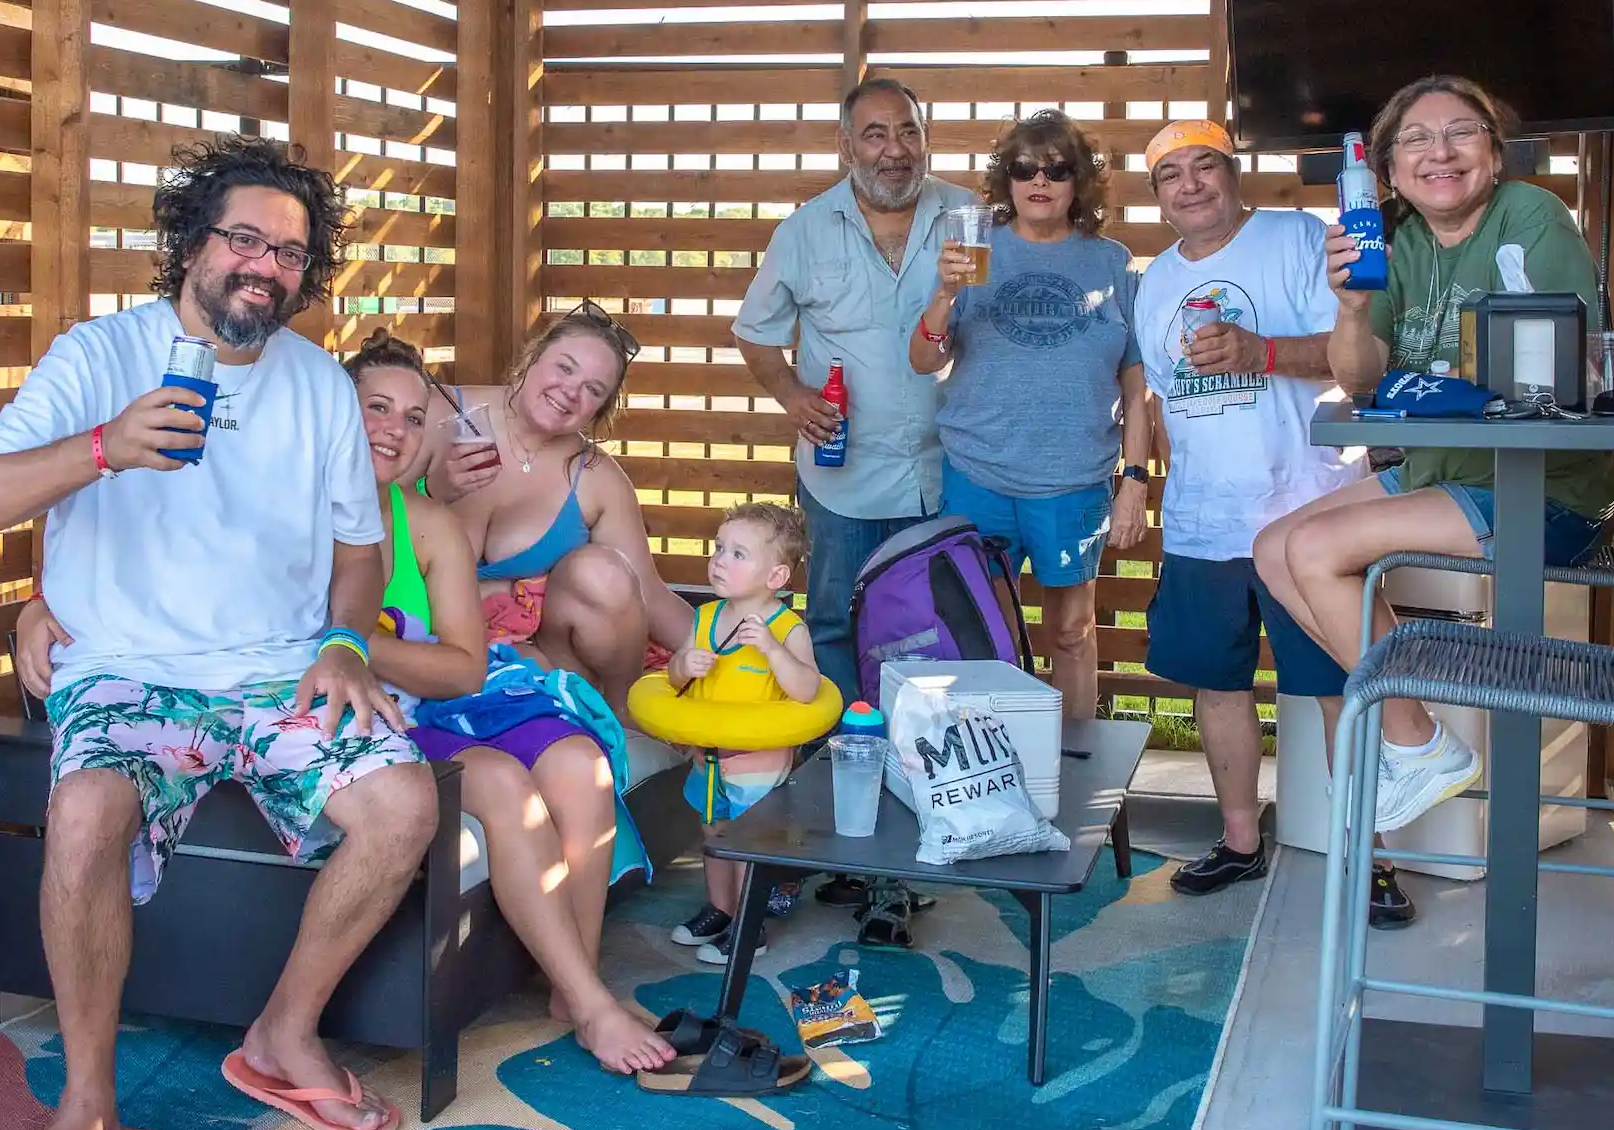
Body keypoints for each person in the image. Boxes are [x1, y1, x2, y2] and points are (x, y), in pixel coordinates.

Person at [0, 137, 435, 1130]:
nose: (267, 265)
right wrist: (105, 448)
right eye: (245, 238)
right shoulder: (95, 356)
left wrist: (346, 642)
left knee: (403, 800)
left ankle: (281, 1034)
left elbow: (359, 551)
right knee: (79, 812)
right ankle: (83, 1106)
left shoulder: (316, 384)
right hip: (124, 666)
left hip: (271, 671)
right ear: (191, 241)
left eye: (293, 252)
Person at [10, 329, 678, 1077]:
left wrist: (344, 643)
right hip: (293, 713)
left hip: (403, 708)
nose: (394, 429)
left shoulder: (428, 526)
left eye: (414, 418)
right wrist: (39, 605)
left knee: (571, 763)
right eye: (375, 410)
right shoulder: (267, 495)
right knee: (497, 783)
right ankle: (590, 1004)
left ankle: (577, 993)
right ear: (332, 413)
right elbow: (144, 558)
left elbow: (458, 665)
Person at [1255, 75, 1614, 838]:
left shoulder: (1531, 218)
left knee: (1316, 550)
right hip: (1448, 473)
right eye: (1415, 139)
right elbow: (1358, 376)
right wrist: (1352, 308)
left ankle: (1414, 740)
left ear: (1495, 150)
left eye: (1461, 132)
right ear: (1387, 170)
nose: (1439, 152)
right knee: (1271, 550)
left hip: (1541, 493)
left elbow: (1556, 367)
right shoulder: (1400, 244)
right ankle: (1407, 721)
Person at [1127, 120, 1412, 926]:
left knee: (1337, 692)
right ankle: (1240, 841)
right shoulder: (1153, 282)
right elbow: (1155, 394)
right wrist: (1137, 477)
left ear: (1233, 173)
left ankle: (1373, 860)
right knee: (1216, 688)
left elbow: (1363, 356)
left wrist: (1260, 351)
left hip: (1307, 512)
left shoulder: (1296, 239)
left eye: (1205, 166)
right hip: (1202, 520)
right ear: (1158, 196)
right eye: (1170, 174)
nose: (1189, 185)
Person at [732, 76, 974, 703]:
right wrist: (791, 396)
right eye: (875, 134)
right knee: (835, 623)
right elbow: (756, 334)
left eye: (908, 131)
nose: (894, 149)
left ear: (927, 140)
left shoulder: (972, 218)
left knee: (941, 625)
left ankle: (933, 759)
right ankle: (843, 760)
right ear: (845, 146)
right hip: (843, 476)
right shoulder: (802, 232)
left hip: (952, 466)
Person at [909, 109, 1149, 719]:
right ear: (1005, 180)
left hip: (1073, 482)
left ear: (1080, 182)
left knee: (1072, 632)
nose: (1039, 181)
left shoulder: (1111, 263)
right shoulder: (971, 252)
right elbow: (919, 360)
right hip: (978, 474)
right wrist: (943, 295)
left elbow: (1137, 380)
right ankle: (1005, 772)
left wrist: (1135, 480)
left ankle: (1073, 764)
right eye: (1024, 169)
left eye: (1057, 169)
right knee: (991, 638)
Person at [423, 303, 694, 709]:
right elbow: (369, 522)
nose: (571, 391)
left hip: (539, 653)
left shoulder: (596, 477)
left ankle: (624, 715)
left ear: (600, 410)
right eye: (565, 368)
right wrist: (434, 491)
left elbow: (650, 596)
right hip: (425, 637)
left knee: (602, 572)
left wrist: (740, 651)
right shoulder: (442, 414)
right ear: (533, 357)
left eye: (593, 390)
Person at [661, 502, 821, 966]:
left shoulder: (786, 628)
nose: (718, 561)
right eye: (717, 549)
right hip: (708, 758)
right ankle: (721, 909)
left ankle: (751, 925)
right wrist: (681, 665)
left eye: (737, 554)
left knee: (751, 844)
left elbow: (807, 689)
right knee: (714, 835)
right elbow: (674, 678)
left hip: (758, 765)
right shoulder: (706, 618)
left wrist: (771, 650)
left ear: (775, 577)